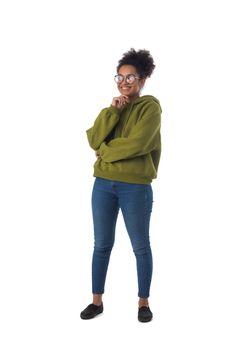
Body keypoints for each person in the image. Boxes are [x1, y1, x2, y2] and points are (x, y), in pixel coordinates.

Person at [80, 48, 162, 322]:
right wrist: (112, 113)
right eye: (120, 76)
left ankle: (143, 303)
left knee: (140, 246)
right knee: (101, 244)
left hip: (135, 187)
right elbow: (93, 139)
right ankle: (96, 301)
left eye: (130, 77)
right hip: (103, 185)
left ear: (142, 79)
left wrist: (105, 152)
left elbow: (139, 144)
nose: (124, 82)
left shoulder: (150, 107)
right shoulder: (114, 107)